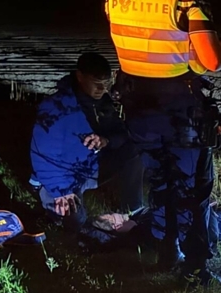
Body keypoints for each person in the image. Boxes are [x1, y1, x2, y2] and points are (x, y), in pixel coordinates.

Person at [104, 0, 221, 285]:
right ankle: (195, 266)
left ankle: (165, 250)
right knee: (191, 188)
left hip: (137, 108)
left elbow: (145, 47)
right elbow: (209, 61)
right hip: (179, 111)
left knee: (159, 182)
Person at [30, 52, 144, 234]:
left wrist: (106, 141)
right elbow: (42, 155)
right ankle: (49, 198)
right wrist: (61, 191)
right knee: (75, 222)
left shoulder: (102, 103)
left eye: (106, 83)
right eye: (96, 83)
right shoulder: (56, 108)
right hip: (64, 174)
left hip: (91, 167)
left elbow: (122, 133)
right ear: (80, 76)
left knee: (134, 148)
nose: (102, 89)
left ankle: (132, 209)